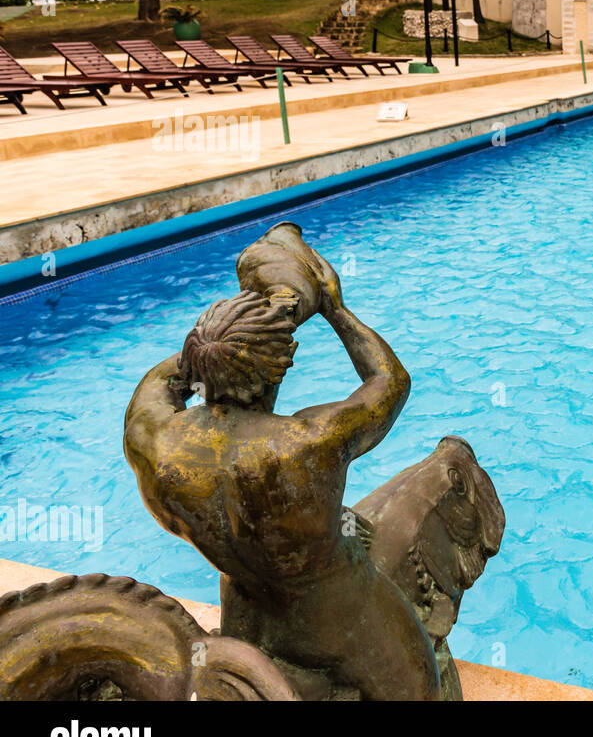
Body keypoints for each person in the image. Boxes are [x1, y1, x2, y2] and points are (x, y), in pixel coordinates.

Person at [123, 260, 442, 700]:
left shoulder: (153, 439)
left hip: (246, 618)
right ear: (281, 363)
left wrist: (221, 341)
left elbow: (165, 378)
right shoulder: (305, 445)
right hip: (339, 624)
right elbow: (389, 380)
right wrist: (333, 307)